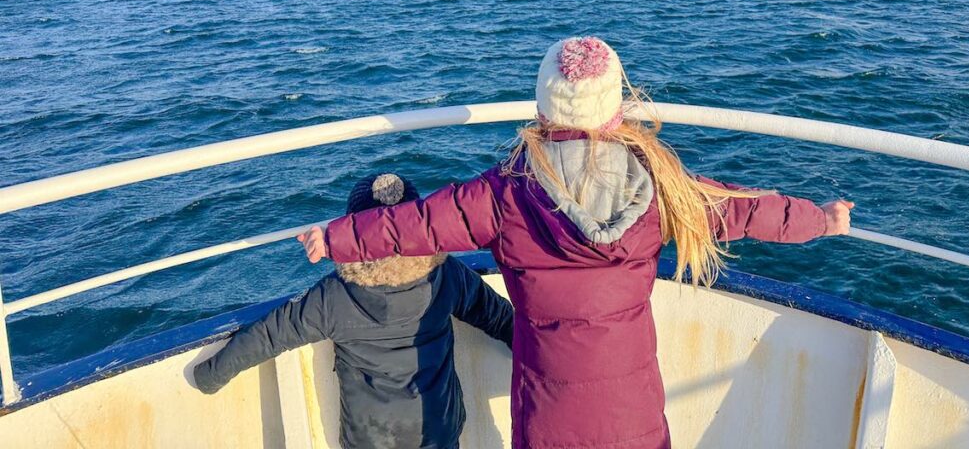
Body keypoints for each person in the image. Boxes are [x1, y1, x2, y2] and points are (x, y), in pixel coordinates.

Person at [298, 38, 854, 449]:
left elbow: (416, 222)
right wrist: (820, 220)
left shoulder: (503, 193)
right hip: (632, 409)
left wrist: (338, 237)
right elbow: (744, 207)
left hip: (549, 413)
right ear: (616, 111)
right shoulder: (662, 186)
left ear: (541, 111)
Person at [190, 172, 514, 449]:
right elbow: (501, 319)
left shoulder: (334, 296)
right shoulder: (446, 275)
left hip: (370, 439)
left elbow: (270, 334)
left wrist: (210, 375)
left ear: (351, 232)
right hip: (439, 429)